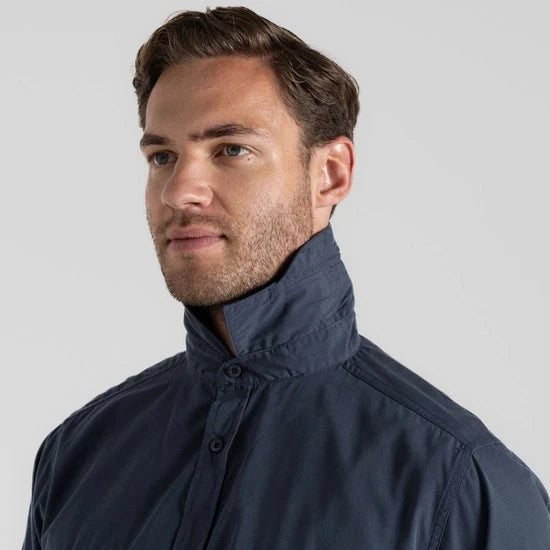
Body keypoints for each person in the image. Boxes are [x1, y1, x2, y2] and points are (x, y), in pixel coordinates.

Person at [22, 6, 550, 549]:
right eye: (162, 156)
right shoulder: (76, 456)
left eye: (232, 150)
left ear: (331, 174)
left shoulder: (462, 485)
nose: (179, 192)